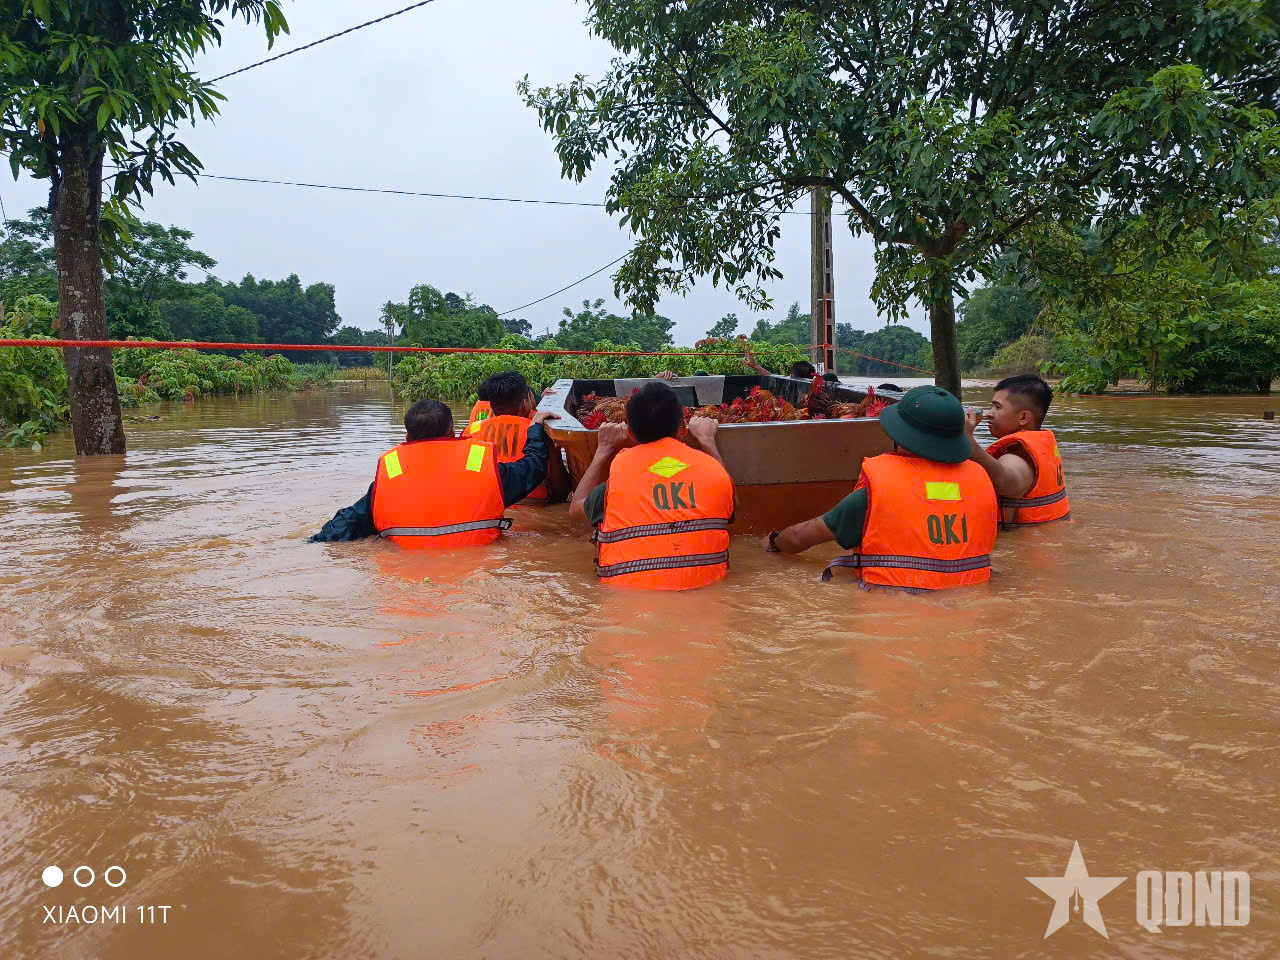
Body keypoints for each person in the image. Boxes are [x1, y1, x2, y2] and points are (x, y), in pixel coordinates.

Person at [764, 385, 998, 591]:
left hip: (892, 606)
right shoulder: (980, 485)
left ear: (899, 436)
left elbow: (799, 538)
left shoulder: (872, 497)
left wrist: (772, 542)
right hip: (970, 601)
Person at [311, 398, 558, 545]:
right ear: (452, 432)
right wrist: (535, 427)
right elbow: (534, 467)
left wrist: (310, 542)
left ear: (407, 437)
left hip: (404, 572)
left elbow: (343, 526)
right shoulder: (483, 469)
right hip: (477, 570)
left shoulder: (390, 476)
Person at [569, 380, 735, 590]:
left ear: (630, 433)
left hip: (625, 599)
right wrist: (708, 443)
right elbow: (732, 507)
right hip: (707, 594)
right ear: (683, 428)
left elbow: (575, 511)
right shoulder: (713, 473)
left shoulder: (616, 483)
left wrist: (602, 451)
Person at [964, 373, 1069, 527]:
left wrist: (967, 440)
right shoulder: (1038, 449)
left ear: (1023, 418)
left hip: (1025, 540)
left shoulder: (1016, 458)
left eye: (997, 407)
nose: (989, 414)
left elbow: (1002, 480)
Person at [471, 370, 571, 503]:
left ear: (492, 406)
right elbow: (561, 491)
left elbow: (472, 475)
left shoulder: (472, 432)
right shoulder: (540, 431)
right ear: (525, 404)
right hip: (534, 508)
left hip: (489, 505)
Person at [742, 345, 816, 380]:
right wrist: (755, 366)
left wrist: (755, 366)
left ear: (792, 376)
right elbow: (772, 376)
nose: (790, 376)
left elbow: (772, 377)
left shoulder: (790, 386)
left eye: (791, 375)